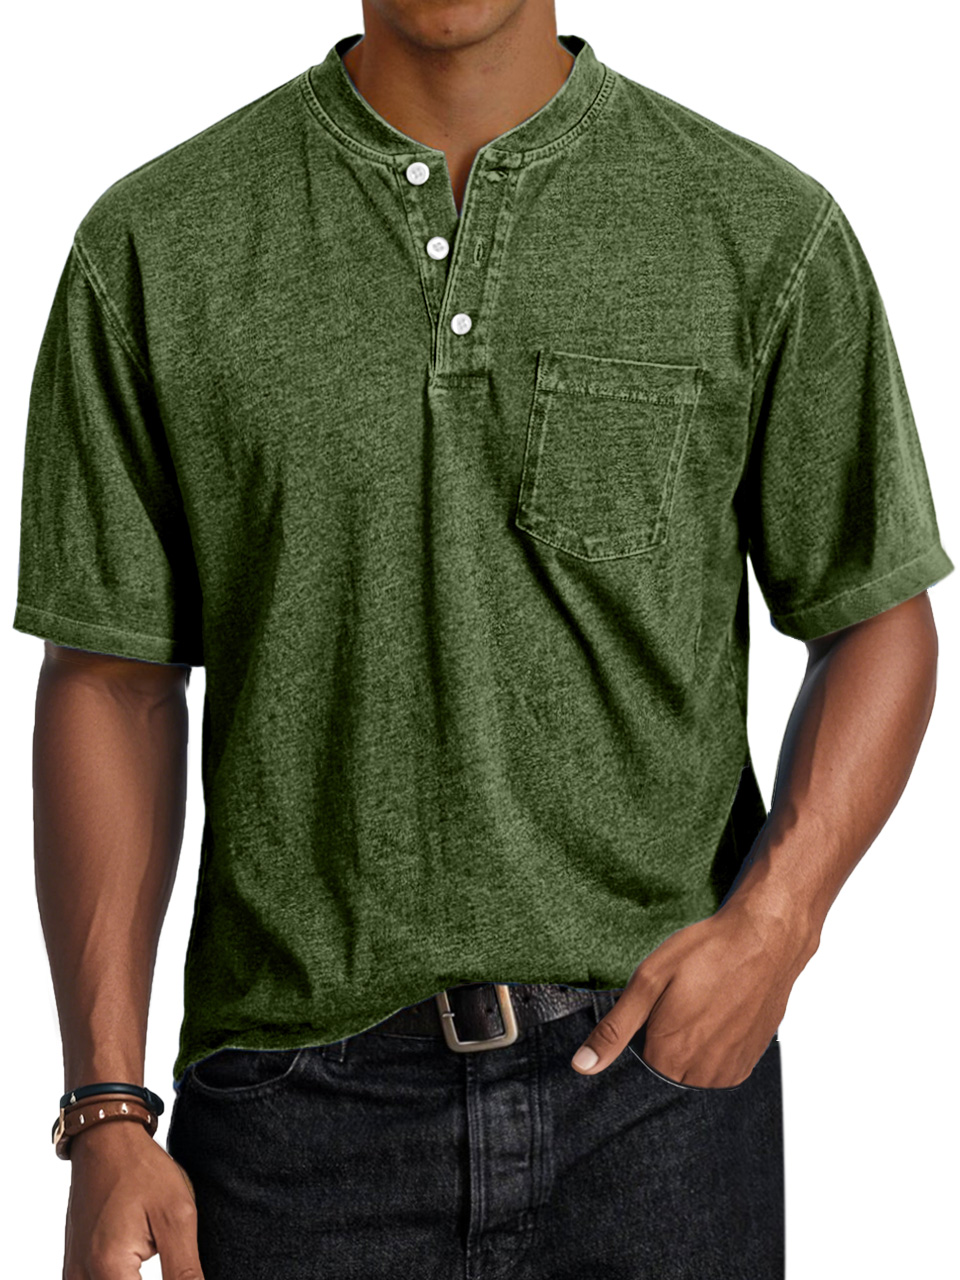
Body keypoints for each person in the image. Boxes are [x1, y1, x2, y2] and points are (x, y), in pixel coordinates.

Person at [15, 2, 953, 1277]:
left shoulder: (760, 228)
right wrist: (106, 1108)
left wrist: (779, 923)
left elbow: (876, 613)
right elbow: (111, 679)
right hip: (294, 1114)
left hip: (655, 1096)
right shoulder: (155, 244)